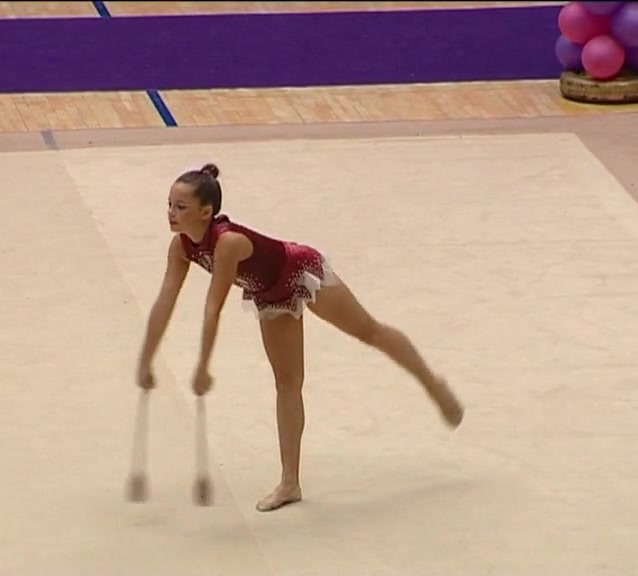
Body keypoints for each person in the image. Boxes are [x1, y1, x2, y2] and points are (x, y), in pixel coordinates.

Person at [136, 163, 465, 512]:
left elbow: (212, 309)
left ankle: (432, 384)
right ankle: (290, 482)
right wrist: (145, 360)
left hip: (298, 269)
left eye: (180, 207)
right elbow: (164, 302)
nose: (171, 213)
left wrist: (203, 366)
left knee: (369, 331)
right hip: (269, 293)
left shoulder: (227, 243)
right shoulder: (180, 248)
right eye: (169, 205)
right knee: (287, 383)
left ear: (206, 212)